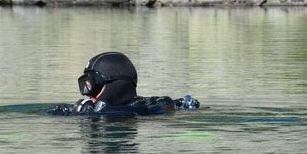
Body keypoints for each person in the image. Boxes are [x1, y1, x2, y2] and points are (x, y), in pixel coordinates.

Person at [48, 51, 200, 117]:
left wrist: (99, 112)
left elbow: (144, 111)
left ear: (115, 85)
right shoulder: (92, 109)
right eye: (84, 87)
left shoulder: (157, 104)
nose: (89, 95)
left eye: (93, 87)